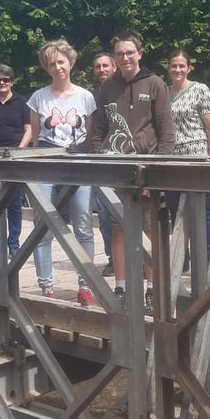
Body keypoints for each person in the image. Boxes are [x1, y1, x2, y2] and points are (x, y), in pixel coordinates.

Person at [91, 33, 175, 307]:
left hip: (146, 167)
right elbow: (99, 129)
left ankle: (152, 288)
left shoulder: (155, 84)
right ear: (114, 58)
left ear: (140, 53)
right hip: (115, 168)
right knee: (119, 229)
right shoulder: (107, 88)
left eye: (129, 52)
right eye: (119, 54)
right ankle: (122, 286)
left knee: (149, 229)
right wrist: (100, 160)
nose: (124, 58)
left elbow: (166, 132)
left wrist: (159, 171)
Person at [27, 39, 97, 307]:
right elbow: (35, 140)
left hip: (79, 164)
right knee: (43, 225)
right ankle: (46, 286)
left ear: (71, 62)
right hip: (46, 162)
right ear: (47, 67)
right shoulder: (38, 98)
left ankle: (85, 285)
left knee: (82, 224)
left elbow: (90, 138)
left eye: (61, 61)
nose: (57, 67)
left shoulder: (85, 97)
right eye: (52, 63)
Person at [165, 49, 210, 269]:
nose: (177, 69)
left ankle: (207, 260)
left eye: (181, 65)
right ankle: (182, 260)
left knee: (203, 212)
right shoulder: (164, 92)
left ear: (189, 68)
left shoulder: (199, 90)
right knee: (176, 212)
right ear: (168, 68)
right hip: (171, 160)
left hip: (196, 156)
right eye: (173, 65)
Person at [0, 64, 32, 258]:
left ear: (12, 81)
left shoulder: (21, 103)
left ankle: (13, 244)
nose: (2, 83)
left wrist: (19, 151)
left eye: (6, 79)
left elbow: (28, 129)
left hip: (15, 157)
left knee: (15, 205)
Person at [91, 51, 116, 276]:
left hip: (124, 159)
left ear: (114, 67)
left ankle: (139, 258)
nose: (102, 70)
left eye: (105, 66)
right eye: (98, 67)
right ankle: (112, 258)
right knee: (105, 215)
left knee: (127, 213)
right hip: (102, 160)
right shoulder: (95, 95)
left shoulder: (124, 89)